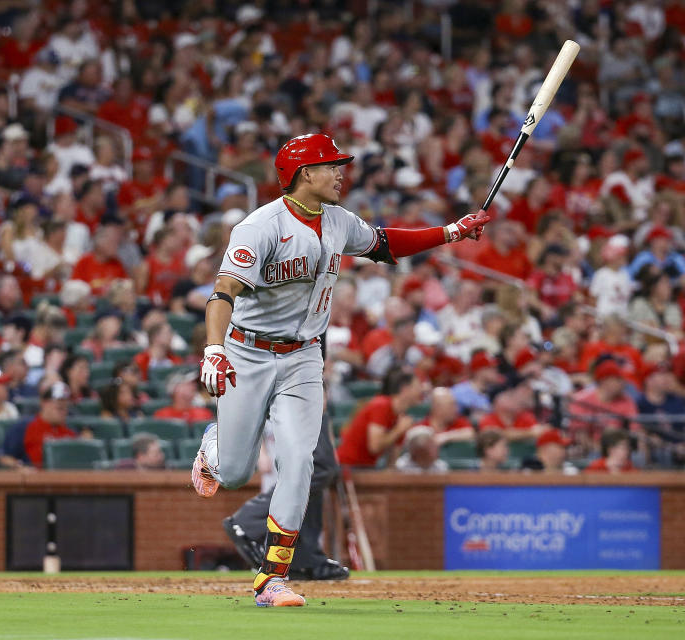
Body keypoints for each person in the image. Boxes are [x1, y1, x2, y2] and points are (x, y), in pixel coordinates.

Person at [191, 134, 488, 607]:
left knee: (300, 461)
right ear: (305, 174)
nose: (340, 173)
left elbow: (385, 244)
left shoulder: (337, 221)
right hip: (247, 352)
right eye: (331, 166)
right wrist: (212, 350)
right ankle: (214, 445)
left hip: (304, 356)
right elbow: (223, 290)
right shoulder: (259, 226)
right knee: (232, 472)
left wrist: (451, 231)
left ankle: (272, 578)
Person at [223, 414, 350, 582]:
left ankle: (305, 559)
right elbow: (253, 411)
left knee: (315, 474)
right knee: (319, 468)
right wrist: (260, 452)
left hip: (289, 443)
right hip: (281, 442)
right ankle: (248, 521)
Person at [23, 381, 76, 469]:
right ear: (44, 403)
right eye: (59, 407)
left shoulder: (70, 432)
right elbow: (5, 457)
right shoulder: (26, 427)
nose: (64, 411)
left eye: (66, 407)